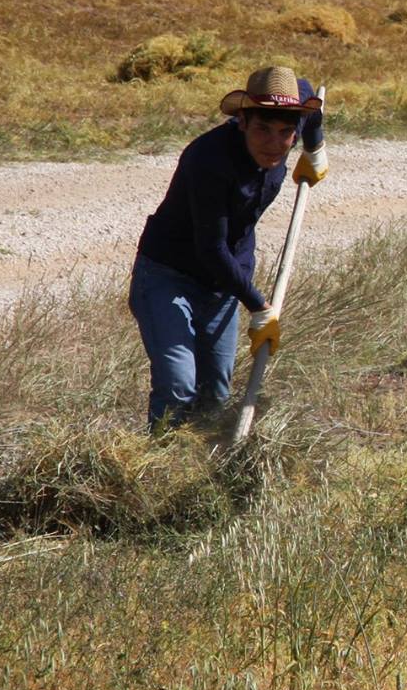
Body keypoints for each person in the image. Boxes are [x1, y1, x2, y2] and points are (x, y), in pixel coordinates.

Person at [130, 65, 326, 431]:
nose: (273, 144)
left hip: (222, 286)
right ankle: (157, 468)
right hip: (168, 276)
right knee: (178, 387)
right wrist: (259, 306)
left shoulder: (295, 125)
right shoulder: (209, 160)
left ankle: (200, 470)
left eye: (286, 133)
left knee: (215, 394)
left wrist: (315, 148)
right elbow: (211, 247)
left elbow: (310, 100)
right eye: (262, 130)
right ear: (242, 121)